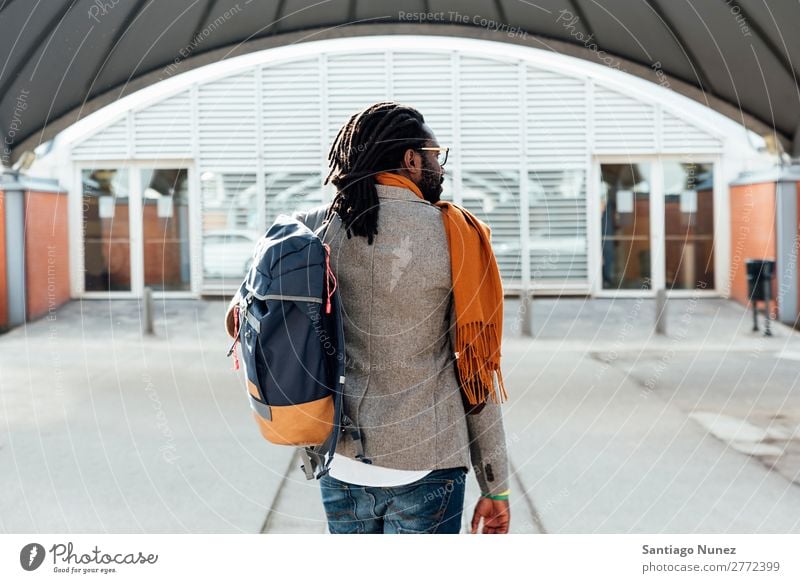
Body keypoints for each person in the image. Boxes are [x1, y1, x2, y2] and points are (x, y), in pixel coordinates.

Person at [292, 101, 511, 534]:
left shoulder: (316, 230)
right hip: (426, 462)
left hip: (342, 462)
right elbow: (475, 369)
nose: (441, 168)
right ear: (411, 160)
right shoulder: (455, 235)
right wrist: (495, 484)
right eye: (436, 155)